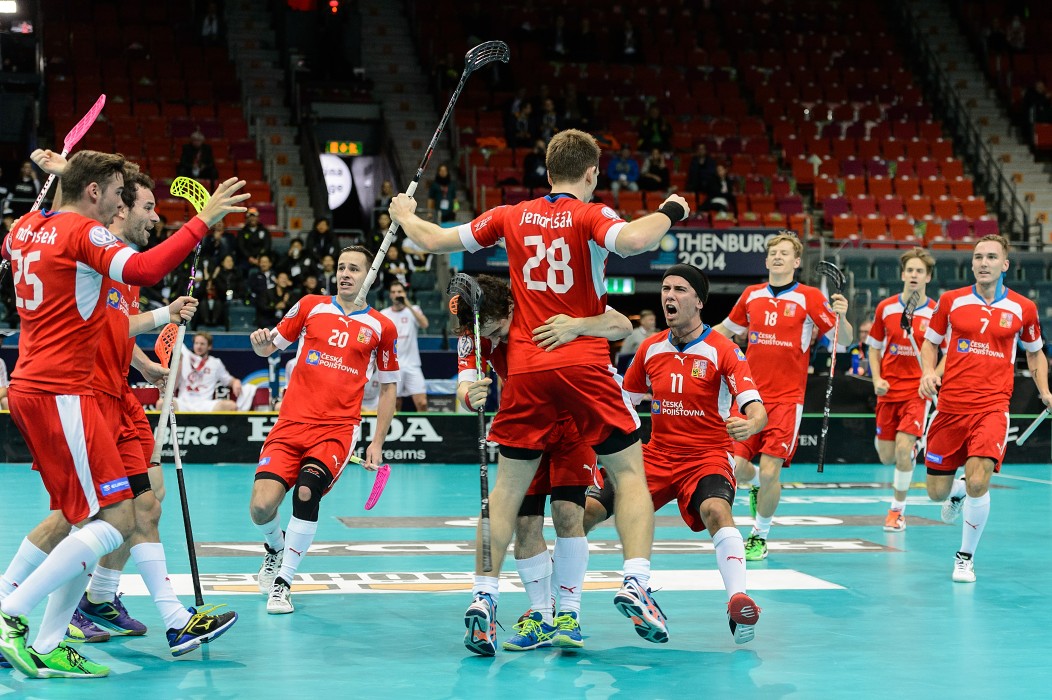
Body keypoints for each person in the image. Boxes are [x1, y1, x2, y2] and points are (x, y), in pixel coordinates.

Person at [389, 128, 691, 656]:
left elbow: (434, 240)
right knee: (628, 474)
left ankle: (484, 596)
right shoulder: (589, 215)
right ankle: (637, 581)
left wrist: (403, 215)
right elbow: (639, 240)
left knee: (505, 494)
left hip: (527, 369)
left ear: (546, 172)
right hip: (582, 366)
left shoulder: (510, 214)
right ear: (593, 174)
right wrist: (670, 208)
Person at [0, 149, 246, 678]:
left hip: (42, 386)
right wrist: (206, 219)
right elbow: (146, 266)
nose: (119, 203)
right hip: (65, 391)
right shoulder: (83, 235)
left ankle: (46, 641)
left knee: (90, 517)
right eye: (115, 192)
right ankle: (8, 613)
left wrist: (60, 180)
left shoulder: (22, 227)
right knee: (115, 521)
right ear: (94, 192)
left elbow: (29, 235)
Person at [588, 264, 766, 644]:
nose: (669, 296)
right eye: (666, 288)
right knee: (585, 511)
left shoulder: (724, 350)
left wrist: (750, 425)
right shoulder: (650, 349)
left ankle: (738, 599)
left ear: (699, 301)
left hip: (707, 455)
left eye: (680, 290)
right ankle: (555, 606)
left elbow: (756, 408)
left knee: (716, 510)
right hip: (656, 455)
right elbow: (625, 403)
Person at [455, 275, 632, 651]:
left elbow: (621, 324)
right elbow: (463, 386)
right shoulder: (474, 334)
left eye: (500, 331)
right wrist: (471, 396)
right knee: (525, 523)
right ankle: (541, 615)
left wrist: (580, 325)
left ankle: (569, 613)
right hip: (526, 428)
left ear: (508, 307)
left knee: (569, 514)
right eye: (489, 336)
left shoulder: (544, 301)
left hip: (572, 425)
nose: (497, 341)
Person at [248, 246, 399, 614]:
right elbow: (271, 348)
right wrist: (260, 346)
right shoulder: (310, 306)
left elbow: (390, 386)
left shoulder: (381, 327)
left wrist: (377, 442)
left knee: (305, 493)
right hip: (290, 423)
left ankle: (283, 582)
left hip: (336, 429)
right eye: (341, 267)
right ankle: (275, 547)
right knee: (261, 507)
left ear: (369, 276)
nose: (345, 274)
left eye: (354, 269)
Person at [713, 232, 852, 561]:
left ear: (796, 261)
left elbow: (841, 339)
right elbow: (725, 329)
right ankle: (757, 485)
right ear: (766, 260)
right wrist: (688, 337)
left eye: (784, 252)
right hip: (748, 396)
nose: (777, 256)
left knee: (774, 470)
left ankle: (760, 534)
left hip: (788, 399)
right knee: (739, 469)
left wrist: (842, 316)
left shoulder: (810, 297)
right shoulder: (751, 295)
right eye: (773, 252)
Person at [919, 235, 1050, 583]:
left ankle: (965, 557)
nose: (983, 262)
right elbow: (930, 344)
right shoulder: (951, 301)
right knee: (936, 494)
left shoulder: (1023, 308)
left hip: (992, 406)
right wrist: (929, 372)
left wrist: (1045, 391)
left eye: (992, 257)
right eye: (978, 256)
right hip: (950, 408)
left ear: (1005, 265)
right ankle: (957, 490)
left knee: (980, 481)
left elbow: (1034, 352)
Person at [867, 248, 937, 532]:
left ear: (927, 277)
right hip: (888, 391)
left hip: (917, 393)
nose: (914, 275)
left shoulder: (936, 311)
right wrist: (876, 379)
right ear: (902, 274)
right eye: (910, 270)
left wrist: (931, 375)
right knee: (887, 456)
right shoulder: (886, 308)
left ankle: (897, 511)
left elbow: (945, 353)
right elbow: (873, 347)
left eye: (919, 271)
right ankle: (909, 446)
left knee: (903, 449)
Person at [381, 281, 429, 412]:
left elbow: (424, 324)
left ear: (405, 293)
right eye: (394, 292)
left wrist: (407, 304)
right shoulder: (384, 314)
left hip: (412, 365)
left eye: (400, 292)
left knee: (422, 402)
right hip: (393, 366)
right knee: (395, 404)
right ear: (390, 295)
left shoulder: (414, 310)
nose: (397, 295)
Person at [176, 331, 242, 411]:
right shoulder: (184, 357)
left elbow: (229, 380)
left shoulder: (216, 363)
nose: (199, 347)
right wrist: (179, 361)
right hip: (183, 403)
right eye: (196, 343)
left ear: (209, 346)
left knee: (231, 406)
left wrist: (236, 382)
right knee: (161, 403)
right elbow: (172, 387)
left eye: (202, 344)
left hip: (205, 404)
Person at [237, 207, 270, 273]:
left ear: (258, 218)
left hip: (261, 258)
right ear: (247, 219)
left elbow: (267, 245)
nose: (252, 218)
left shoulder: (264, 231)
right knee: (239, 268)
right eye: (250, 216)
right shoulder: (242, 232)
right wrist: (249, 257)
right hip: (246, 259)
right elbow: (241, 246)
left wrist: (259, 258)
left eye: (254, 216)